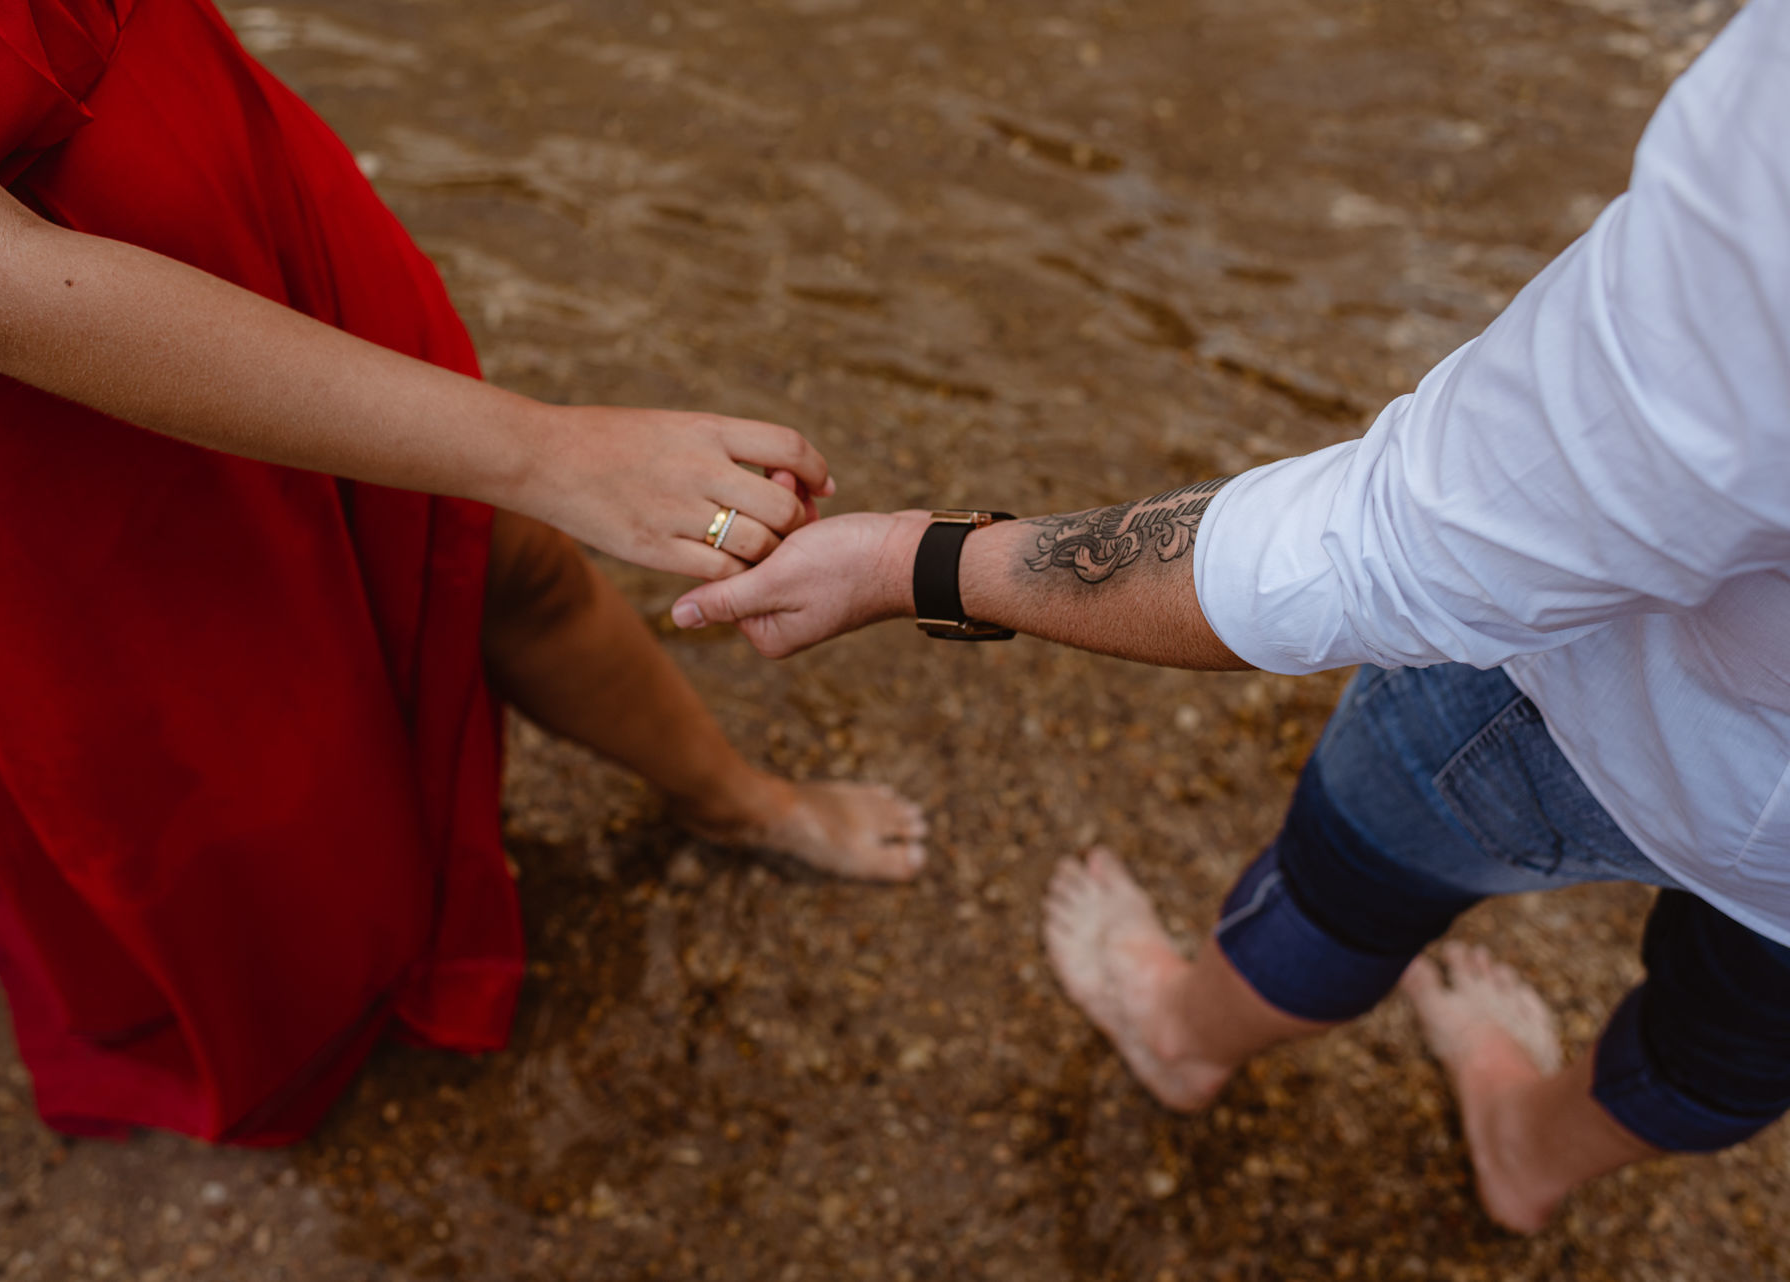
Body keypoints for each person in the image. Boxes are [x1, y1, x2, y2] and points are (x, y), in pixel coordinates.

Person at [670, 0, 1790, 1233]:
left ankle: (1178, 1034)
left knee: (1357, 869)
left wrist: (914, 562)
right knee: (1747, 1026)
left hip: (1600, 705)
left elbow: (1386, 546)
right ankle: (1531, 1152)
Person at [0, 0, 926, 1145]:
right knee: (231, 738)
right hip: (31, 372)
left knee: (488, 558)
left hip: (225, 162)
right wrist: (548, 445)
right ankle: (322, 960)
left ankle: (730, 797)